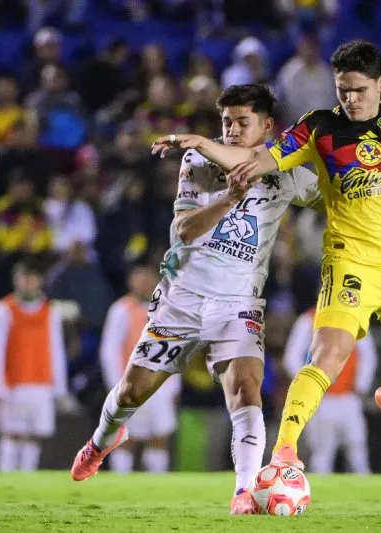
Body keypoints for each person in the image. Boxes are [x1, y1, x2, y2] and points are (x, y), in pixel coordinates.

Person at [151, 40, 381, 471]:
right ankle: (284, 453)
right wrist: (201, 143)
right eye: (343, 90)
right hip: (350, 262)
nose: (351, 99)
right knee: (326, 354)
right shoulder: (318, 128)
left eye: (359, 90)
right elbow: (256, 159)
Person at [70, 84, 323, 515]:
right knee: (131, 392)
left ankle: (245, 491)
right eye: (226, 122)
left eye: (242, 122)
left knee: (246, 390)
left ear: (266, 125)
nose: (232, 130)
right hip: (183, 298)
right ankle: (102, 439)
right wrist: (231, 197)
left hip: (238, 302)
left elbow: (338, 201)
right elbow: (185, 230)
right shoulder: (199, 160)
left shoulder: (286, 170)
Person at [0, 259, 71, 472]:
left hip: (42, 384)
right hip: (13, 384)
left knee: (35, 436)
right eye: (23, 278)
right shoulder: (4, 309)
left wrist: (59, 387)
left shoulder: (50, 311)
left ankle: (27, 477)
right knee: (11, 434)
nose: (27, 283)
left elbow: (56, 349)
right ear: (16, 280)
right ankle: (5, 477)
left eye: (32, 278)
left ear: (39, 280)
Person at [99, 262, 181, 473]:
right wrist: (117, 386)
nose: (144, 281)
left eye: (148, 275)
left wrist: (174, 387)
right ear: (130, 280)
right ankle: (120, 481)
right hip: (131, 385)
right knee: (126, 438)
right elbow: (110, 351)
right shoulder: (120, 309)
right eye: (139, 275)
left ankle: (156, 483)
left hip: (160, 386)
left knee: (159, 437)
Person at [283, 307, 378, 474]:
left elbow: (368, 354)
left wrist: (361, 384)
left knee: (357, 443)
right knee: (322, 448)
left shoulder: (355, 317)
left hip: (349, 396)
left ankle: (363, 481)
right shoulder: (308, 319)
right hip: (321, 399)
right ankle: (320, 485)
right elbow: (292, 357)